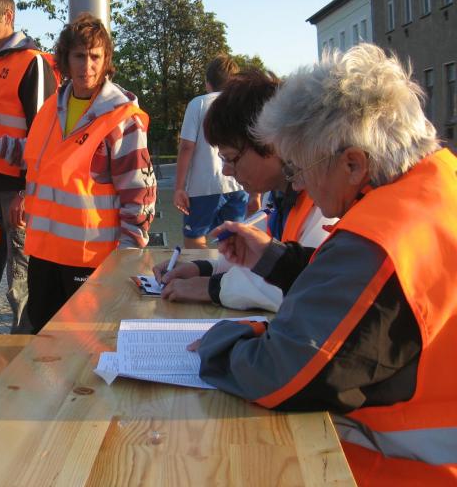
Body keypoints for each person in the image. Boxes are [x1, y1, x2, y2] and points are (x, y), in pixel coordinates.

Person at [195, 44, 457, 485]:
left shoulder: (384, 238)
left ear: (353, 163)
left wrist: (221, 338)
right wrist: (275, 260)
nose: (298, 182)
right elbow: (354, 292)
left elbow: (278, 373)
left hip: (398, 472)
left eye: (299, 166)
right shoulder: (436, 184)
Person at [0, 13, 156, 333]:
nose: (87, 66)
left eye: (95, 57)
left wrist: (128, 255)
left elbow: (139, 194)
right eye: (79, 56)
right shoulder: (53, 108)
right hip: (44, 255)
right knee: (46, 340)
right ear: (65, 59)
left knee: (87, 344)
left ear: (106, 60)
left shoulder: (122, 118)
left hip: (91, 260)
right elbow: (31, 153)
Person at [153, 68, 335, 311]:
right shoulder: (279, 194)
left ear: (270, 143)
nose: (226, 171)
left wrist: (211, 287)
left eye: (231, 158)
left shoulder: (325, 202)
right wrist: (204, 269)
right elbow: (262, 261)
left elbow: (306, 284)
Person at [0, 0, 58, 335]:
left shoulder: (32, 62)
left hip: (16, 189)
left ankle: (24, 352)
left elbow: (42, 134)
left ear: (9, 16)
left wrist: (26, 190)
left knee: (19, 280)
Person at [174, 54, 249, 248]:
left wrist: (179, 187)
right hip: (238, 184)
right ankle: (227, 268)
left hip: (203, 185)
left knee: (195, 238)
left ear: (208, 83)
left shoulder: (198, 104)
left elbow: (187, 147)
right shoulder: (241, 104)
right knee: (234, 240)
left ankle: (201, 267)